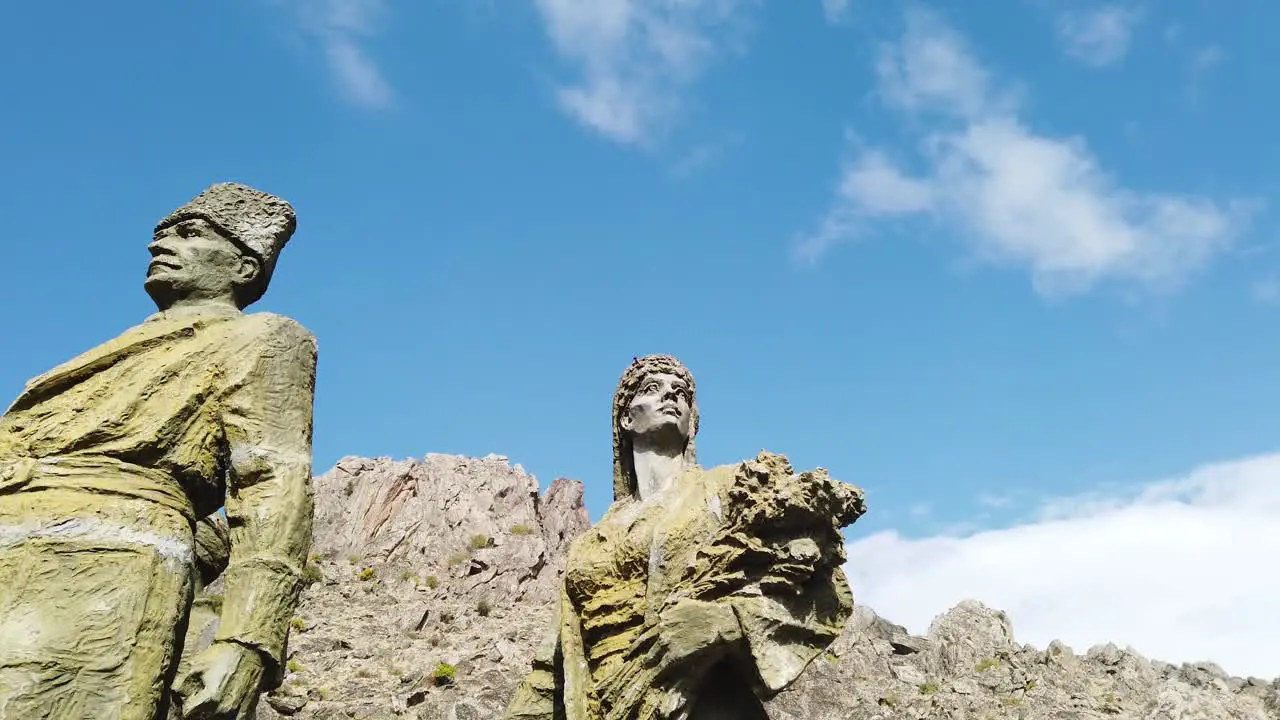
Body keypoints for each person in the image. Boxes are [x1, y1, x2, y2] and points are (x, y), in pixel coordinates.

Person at [0, 182, 318, 720]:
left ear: (244, 267)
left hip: (101, 568)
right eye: (160, 234)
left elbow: (272, 483)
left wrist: (246, 640)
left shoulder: (261, 336)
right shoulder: (104, 352)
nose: (159, 245)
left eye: (189, 234)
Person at [505, 354, 865, 720]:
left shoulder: (729, 489)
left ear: (692, 424)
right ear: (626, 419)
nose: (670, 396)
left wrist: (725, 622)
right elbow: (550, 675)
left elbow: (817, 574)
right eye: (652, 388)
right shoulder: (588, 544)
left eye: (681, 393)